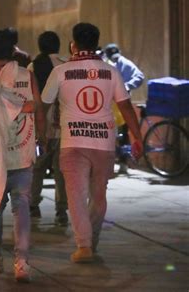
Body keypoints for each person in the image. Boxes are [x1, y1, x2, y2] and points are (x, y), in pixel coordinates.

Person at [41, 22, 143, 263]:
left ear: (73, 44)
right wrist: (137, 137)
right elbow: (126, 106)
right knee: (98, 196)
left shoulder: (60, 72)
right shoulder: (111, 71)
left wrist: (42, 133)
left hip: (72, 144)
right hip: (103, 144)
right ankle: (92, 240)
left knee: (75, 195)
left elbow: (43, 104)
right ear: (97, 44)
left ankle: (84, 245)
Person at [0, 29, 45, 282]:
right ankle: (22, 263)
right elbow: (37, 107)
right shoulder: (27, 77)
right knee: (23, 210)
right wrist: (42, 135)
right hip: (23, 153)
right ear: (13, 52)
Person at [28, 31, 69, 225]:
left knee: (37, 168)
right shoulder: (66, 65)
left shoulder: (32, 67)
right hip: (63, 126)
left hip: (39, 125)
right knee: (61, 170)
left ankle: (33, 206)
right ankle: (61, 212)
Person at [104, 43, 145, 174]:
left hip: (122, 104)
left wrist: (127, 86)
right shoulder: (107, 63)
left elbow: (139, 76)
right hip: (110, 104)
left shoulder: (125, 63)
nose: (115, 59)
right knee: (111, 134)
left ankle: (123, 163)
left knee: (123, 134)